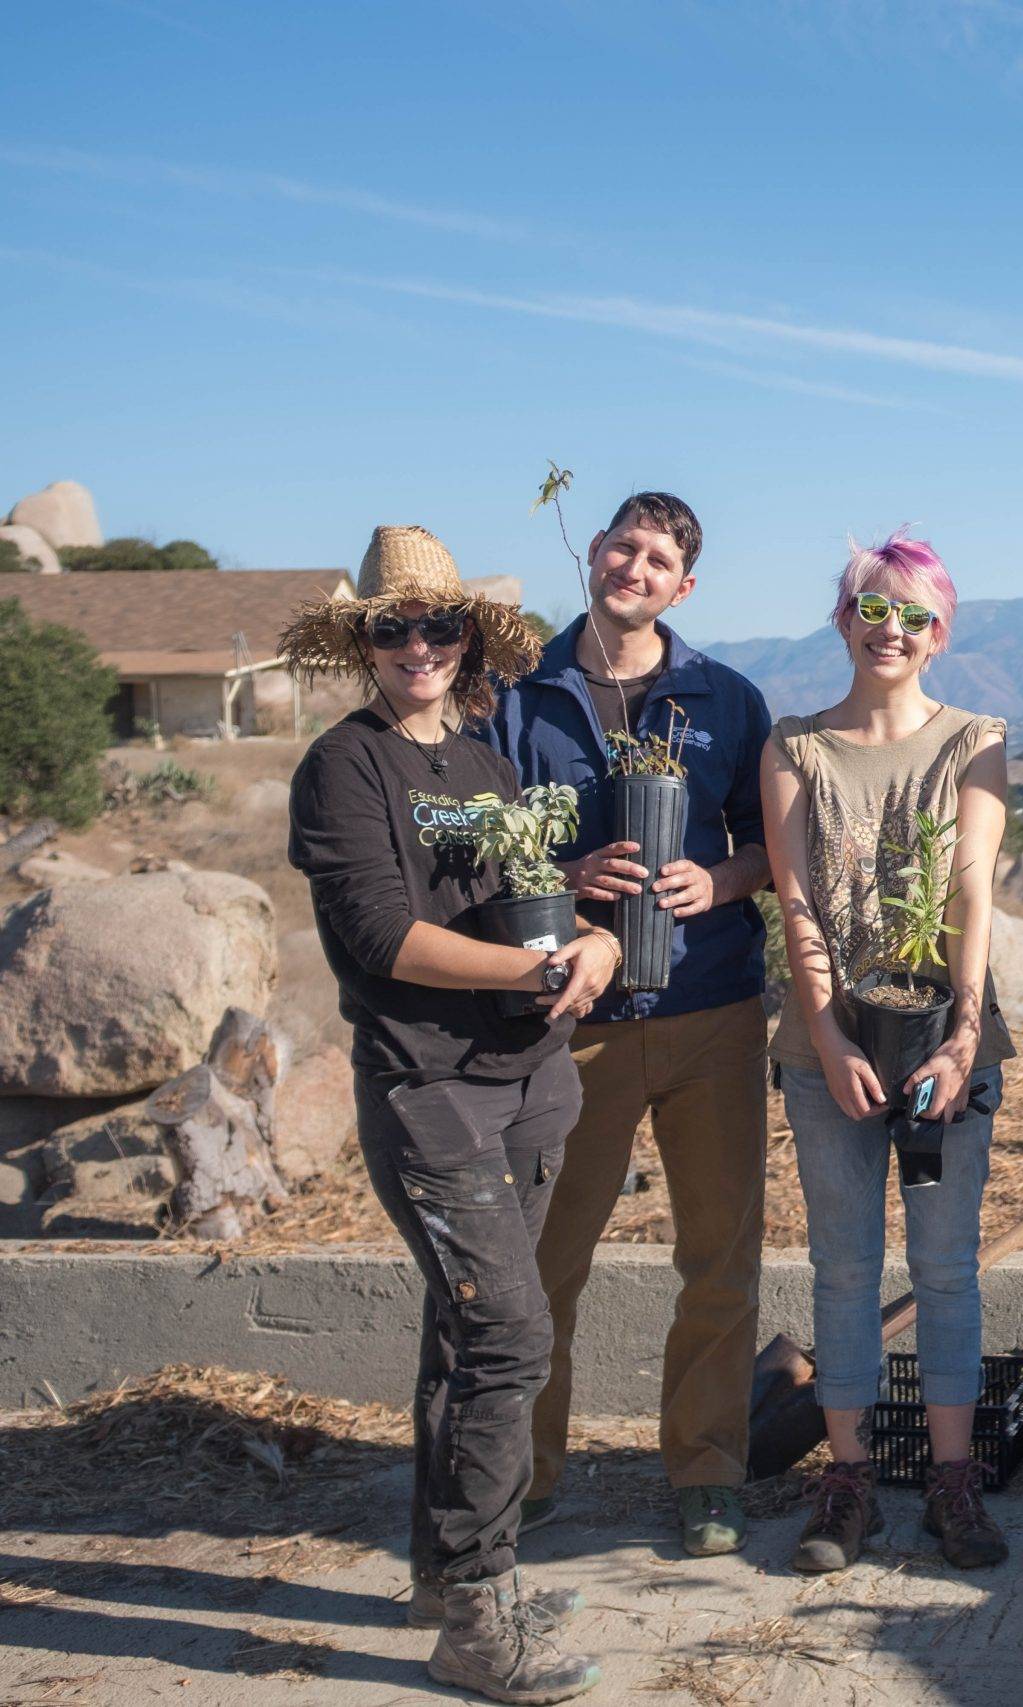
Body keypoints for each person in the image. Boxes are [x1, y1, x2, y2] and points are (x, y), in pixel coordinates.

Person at [281, 526, 616, 1703]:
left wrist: (594, 938)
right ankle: (481, 1613)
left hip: (530, 1083)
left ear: (468, 636)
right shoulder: (345, 766)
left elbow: (524, 899)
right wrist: (532, 976)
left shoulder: (481, 759)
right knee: (510, 1338)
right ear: (362, 644)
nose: (417, 645)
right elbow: (382, 937)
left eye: (437, 626)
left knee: (461, 1334)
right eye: (393, 628)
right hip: (428, 1090)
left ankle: (442, 1576)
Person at [478, 491, 775, 1558]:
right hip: (571, 1026)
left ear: (682, 587)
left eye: (659, 559)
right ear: (594, 556)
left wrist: (721, 876)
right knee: (546, 1263)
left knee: (720, 1257)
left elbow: (771, 849)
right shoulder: (516, 700)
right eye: (622, 547)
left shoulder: (725, 700)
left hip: (714, 1014)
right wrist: (563, 873)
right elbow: (474, 855)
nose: (635, 568)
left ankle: (707, 1474)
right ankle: (525, 1473)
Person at [761, 531, 1015, 1576]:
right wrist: (825, 1039)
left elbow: (971, 896)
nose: (892, 630)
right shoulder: (795, 748)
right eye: (875, 608)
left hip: (946, 1051)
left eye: (915, 615)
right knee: (845, 1269)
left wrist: (960, 1038)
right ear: (844, 619)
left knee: (947, 1270)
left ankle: (952, 1482)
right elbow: (797, 901)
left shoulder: (974, 738)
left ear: (939, 633)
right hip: (827, 1049)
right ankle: (849, 1480)